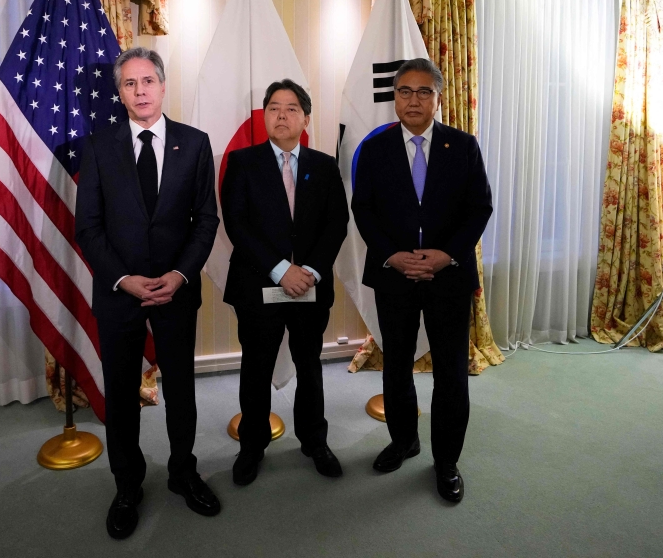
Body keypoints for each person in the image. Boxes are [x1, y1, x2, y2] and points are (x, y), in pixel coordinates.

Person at [75, 47, 221, 539]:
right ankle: (127, 485)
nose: (140, 91)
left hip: (176, 291)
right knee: (120, 394)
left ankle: (183, 471)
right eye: (129, 84)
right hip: (120, 294)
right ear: (119, 93)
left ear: (163, 85)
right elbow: (89, 227)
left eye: (148, 81)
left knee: (181, 388)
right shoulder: (97, 146)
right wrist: (123, 279)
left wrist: (179, 276)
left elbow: (206, 222)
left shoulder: (195, 143)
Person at [350, 57, 493, 503]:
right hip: (394, 276)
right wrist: (393, 256)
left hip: (447, 277)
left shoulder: (463, 146)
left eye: (423, 92)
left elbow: (479, 209)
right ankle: (403, 440)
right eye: (405, 92)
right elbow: (364, 210)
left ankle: (446, 460)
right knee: (395, 365)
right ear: (395, 98)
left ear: (438, 97)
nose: (413, 100)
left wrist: (445, 255)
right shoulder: (374, 149)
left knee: (450, 371)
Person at [220, 80, 349, 485]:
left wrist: (309, 271)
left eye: (292, 108)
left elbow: (336, 225)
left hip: (310, 288)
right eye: (273, 108)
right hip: (259, 285)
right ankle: (252, 446)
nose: (282, 115)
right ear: (264, 116)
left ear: (305, 119)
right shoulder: (242, 162)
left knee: (310, 367)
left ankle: (314, 441)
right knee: (256, 369)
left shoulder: (325, 165)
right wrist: (281, 270)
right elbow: (237, 225)